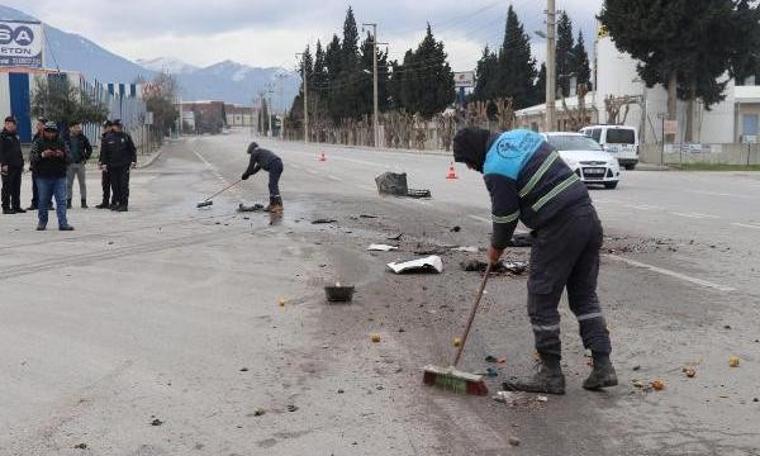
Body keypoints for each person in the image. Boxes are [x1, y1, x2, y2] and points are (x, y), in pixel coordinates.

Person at [453, 128, 616, 395]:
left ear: (474, 152)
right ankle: (603, 365)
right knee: (584, 296)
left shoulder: (495, 165)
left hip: (559, 226)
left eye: (468, 161)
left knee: (541, 299)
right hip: (587, 217)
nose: (471, 167)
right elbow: (543, 183)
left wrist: (496, 248)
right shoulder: (521, 136)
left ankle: (551, 373)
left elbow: (505, 216)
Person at [30, 122, 74, 231]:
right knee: (43, 200)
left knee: (61, 201)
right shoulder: (38, 142)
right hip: (43, 177)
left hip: (59, 176)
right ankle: (42, 222)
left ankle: (63, 223)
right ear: (44, 131)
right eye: (48, 131)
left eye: (52, 131)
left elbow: (70, 158)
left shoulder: (62, 142)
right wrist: (43, 155)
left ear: (56, 132)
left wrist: (62, 155)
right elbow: (31, 157)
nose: (50, 134)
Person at [99, 119, 136, 212]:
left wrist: (133, 161)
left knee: (123, 185)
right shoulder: (108, 138)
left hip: (124, 166)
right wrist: (103, 163)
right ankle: (118, 203)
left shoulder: (126, 137)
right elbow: (104, 153)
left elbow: (132, 150)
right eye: (117, 126)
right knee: (115, 186)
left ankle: (124, 204)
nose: (119, 127)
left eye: (120, 126)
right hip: (112, 166)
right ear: (113, 127)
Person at [241, 142, 284, 213]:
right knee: (271, 185)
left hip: (275, 164)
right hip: (277, 164)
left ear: (251, 149)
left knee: (273, 185)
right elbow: (254, 170)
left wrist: (245, 175)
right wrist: (247, 175)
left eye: (250, 153)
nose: (251, 155)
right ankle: (273, 204)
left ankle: (278, 205)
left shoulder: (255, 152)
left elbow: (250, 167)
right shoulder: (261, 155)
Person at [0, 116, 25, 214]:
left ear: (15, 126)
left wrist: (22, 163)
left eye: (12, 125)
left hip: (17, 165)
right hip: (7, 166)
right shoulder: (2, 136)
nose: (10, 126)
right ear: (5, 125)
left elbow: (19, 150)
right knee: (7, 186)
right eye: (8, 124)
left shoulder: (16, 136)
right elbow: (1, 151)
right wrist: (4, 164)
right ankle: (6, 207)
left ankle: (16, 206)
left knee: (16, 187)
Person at [65, 121, 93, 209]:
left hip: (80, 163)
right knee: (68, 184)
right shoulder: (65, 138)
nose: (78, 129)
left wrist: (85, 158)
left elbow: (89, 149)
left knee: (82, 184)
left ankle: (83, 202)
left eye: (78, 127)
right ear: (70, 128)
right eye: (76, 127)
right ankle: (68, 202)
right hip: (69, 164)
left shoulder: (82, 138)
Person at [28, 117, 52, 211]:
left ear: (44, 126)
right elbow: (32, 152)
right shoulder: (36, 136)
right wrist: (31, 163)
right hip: (36, 164)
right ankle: (35, 203)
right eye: (37, 124)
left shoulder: (50, 137)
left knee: (48, 185)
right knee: (35, 185)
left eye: (39, 124)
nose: (37, 126)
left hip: (46, 165)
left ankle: (48, 203)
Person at [95, 120, 113, 209]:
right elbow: (103, 152)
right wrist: (100, 161)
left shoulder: (113, 137)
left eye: (105, 127)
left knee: (114, 184)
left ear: (110, 127)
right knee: (105, 184)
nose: (104, 129)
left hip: (112, 164)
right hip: (105, 164)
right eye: (103, 127)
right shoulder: (104, 137)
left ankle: (115, 202)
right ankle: (105, 202)